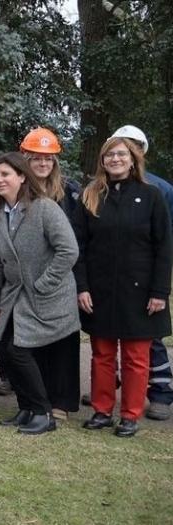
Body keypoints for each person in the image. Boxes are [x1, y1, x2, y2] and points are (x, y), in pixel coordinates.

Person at [74, 136, 172, 438]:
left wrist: (159, 292)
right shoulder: (91, 195)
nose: (115, 160)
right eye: (109, 155)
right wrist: (82, 287)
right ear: (102, 161)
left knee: (136, 357)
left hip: (140, 291)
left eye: (121, 154)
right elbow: (79, 246)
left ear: (133, 159)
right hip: (99, 289)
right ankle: (102, 410)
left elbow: (164, 247)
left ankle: (130, 415)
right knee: (101, 354)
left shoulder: (152, 195)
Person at [0, 152, 80, 435]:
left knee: (18, 350)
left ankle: (43, 412)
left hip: (49, 296)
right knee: (4, 347)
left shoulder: (45, 208)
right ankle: (26, 408)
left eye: (6, 174)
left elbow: (69, 250)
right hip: (14, 295)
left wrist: (43, 283)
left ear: (22, 177)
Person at [107, 125, 173, 421]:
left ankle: (160, 393)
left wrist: (159, 288)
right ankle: (113, 385)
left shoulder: (158, 189)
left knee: (149, 341)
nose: (123, 155)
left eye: (130, 148)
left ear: (139, 153)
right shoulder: (102, 188)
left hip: (143, 279)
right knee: (113, 335)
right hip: (113, 278)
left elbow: (163, 240)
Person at [15, 127, 83, 413]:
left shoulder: (70, 192)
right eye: (37, 158)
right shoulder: (18, 192)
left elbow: (77, 238)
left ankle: (62, 402)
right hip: (28, 279)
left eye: (49, 158)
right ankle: (39, 399)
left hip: (59, 277)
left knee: (64, 342)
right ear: (26, 160)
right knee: (34, 342)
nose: (43, 163)